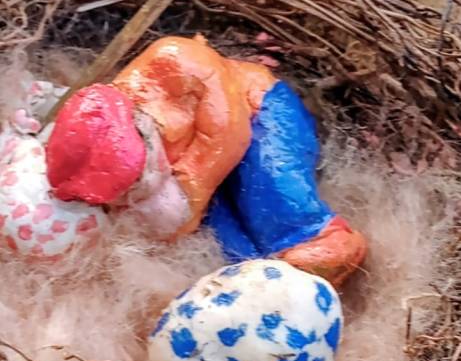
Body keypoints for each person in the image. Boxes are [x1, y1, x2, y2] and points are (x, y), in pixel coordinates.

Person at [45, 35, 366, 287]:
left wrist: (191, 196)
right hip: (209, 177)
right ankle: (262, 275)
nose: (129, 200)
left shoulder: (175, 61)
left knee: (268, 189)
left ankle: (324, 239)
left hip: (259, 117)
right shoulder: (116, 150)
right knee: (223, 247)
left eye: (134, 185)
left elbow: (227, 134)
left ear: (142, 134)